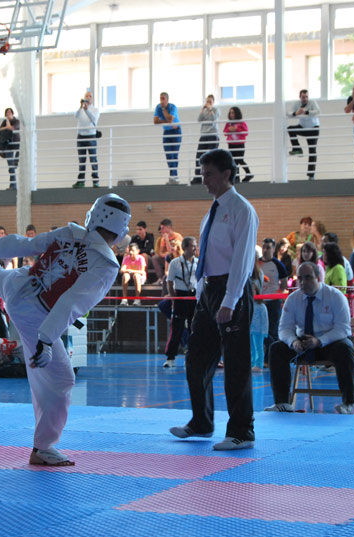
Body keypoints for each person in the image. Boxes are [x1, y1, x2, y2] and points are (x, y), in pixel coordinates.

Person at [0, 193, 131, 466]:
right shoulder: (106, 264)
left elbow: (25, 244)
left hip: (16, 283)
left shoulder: (72, 232)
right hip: (34, 314)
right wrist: (46, 339)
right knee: (62, 380)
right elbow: (72, 302)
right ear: (121, 230)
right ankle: (44, 448)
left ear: (93, 215)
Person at [169, 148, 258, 451]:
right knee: (196, 357)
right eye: (202, 173)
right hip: (208, 290)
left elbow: (242, 260)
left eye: (208, 174)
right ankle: (202, 421)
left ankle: (242, 431)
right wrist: (201, 293)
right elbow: (207, 256)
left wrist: (230, 300)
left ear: (226, 174)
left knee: (235, 362)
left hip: (232, 289)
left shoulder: (242, 210)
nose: (204, 179)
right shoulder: (212, 211)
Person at [264, 261, 354, 414]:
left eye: (308, 277)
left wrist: (320, 341)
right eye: (300, 278)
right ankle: (283, 402)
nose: (303, 282)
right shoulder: (293, 299)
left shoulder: (335, 297)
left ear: (318, 278)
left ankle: (348, 402)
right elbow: (284, 329)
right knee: (276, 348)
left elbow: (343, 328)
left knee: (345, 348)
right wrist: (293, 342)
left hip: (330, 343)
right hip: (303, 344)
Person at [163, 236, 198, 368]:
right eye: (192, 246)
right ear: (185, 247)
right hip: (180, 296)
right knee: (177, 328)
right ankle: (170, 358)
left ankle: (192, 356)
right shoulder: (175, 263)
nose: (195, 248)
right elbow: (169, 282)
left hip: (194, 296)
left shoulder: (198, 262)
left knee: (194, 328)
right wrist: (174, 299)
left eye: (195, 246)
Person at [258, 238, 288, 355]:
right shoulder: (257, 263)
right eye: (264, 247)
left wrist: (278, 294)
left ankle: (273, 355)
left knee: (273, 330)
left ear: (273, 249)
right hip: (259, 301)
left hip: (274, 301)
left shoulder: (278, 265)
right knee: (260, 330)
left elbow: (284, 283)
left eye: (268, 247)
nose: (265, 250)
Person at [287, 89, 320, 180]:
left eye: (306, 97)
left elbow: (318, 111)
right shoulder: (297, 104)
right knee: (290, 129)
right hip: (303, 126)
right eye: (303, 97)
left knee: (312, 150)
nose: (305, 99)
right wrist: (296, 113)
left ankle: (311, 175)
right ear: (300, 97)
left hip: (313, 128)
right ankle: (297, 149)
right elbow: (288, 112)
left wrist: (306, 112)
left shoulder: (312, 102)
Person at [154, 92, 182, 185]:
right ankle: (174, 177)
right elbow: (155, 121)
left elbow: (170, 119)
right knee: (169, 155)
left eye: (163, 98)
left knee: (174, 155)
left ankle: (174, 177)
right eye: (160, 98)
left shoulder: (172, 107)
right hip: (167, 132)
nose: (161, 101)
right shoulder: (158, 107)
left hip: (176, 131)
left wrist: (164, 110)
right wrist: (167, 121)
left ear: (167, 99)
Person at [73, 91, 100, 188]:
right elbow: (75, 116)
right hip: (81, 136)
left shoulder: (95, 109)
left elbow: (94, 119)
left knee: (93, 159)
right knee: (81, 159)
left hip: (91, 136)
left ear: (92, 98)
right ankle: (81, 181)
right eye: (86, 96)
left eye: (90, 96)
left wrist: (87, 109)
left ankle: (95, 181)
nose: (88, 98)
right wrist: (81, 107)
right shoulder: (80, 110)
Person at [193, 95, 220, 184]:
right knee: (199, 156)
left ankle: (213, 176)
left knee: (212, 157)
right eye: (207, 101)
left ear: (213, 102)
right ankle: (197, 177)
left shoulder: (216, 110)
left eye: (210, 102)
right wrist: (202, 109)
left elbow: (213, 119)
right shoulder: (204, 111)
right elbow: (199, 119)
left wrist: (210, 109)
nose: (208, 103)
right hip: (204, 135)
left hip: (213, 134)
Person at [223, 106, 253, 182]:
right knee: (234, 161)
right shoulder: (228, 123)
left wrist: (237, 129)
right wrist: (229, 129)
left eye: (233, 112)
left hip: (240, 144)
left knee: (240, 159)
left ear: (237, 113)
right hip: (231, 144)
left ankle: (248, 173)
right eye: (230, 113)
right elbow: (225, 132)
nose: (231, 114)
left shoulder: (242, 123)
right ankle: (236, 177)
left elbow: (245, 133)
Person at [152, 218, 183, 290]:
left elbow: (173, 250)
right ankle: (160, 278)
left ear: (168, 227)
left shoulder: (177, 236)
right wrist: (166, 254)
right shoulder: (163, 238)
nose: (161, 230)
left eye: (163, 228)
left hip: (177, 258)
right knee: (155, 258)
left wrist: (167, 240)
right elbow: (160, 252)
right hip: (167, 258)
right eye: (161, 228)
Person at [249, 259, 268, 372]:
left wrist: (264, 331)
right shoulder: (248, 305)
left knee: (259, 347)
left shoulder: (261, 306)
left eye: (253, 290)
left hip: (259, 330)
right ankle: (252, 363)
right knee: (252, 347)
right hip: (251, 329)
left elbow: (265, 320)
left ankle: (259, 364)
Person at [0, 107, 20, 191]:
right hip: (8, 144)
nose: (8, 114)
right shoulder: (4, 122)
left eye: (10, 112)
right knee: (10, 166)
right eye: (7, 113)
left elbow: (12, 128)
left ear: (12, 113)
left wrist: (7, 125)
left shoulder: (16, 121)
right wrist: (7, 122)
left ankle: (16, 161)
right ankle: (13, 185)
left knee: (19, 153)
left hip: (16, 142)